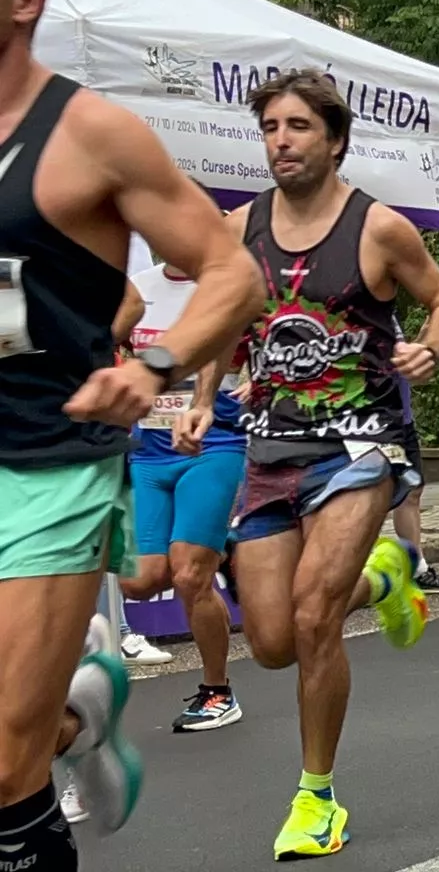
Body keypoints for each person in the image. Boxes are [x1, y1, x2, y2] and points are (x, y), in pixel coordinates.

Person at [0, 0, 263, 864]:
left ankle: (47, 736)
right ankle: (75, 719)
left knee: (0, 764)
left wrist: (151, 365)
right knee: (14, 736)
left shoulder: (93, 134)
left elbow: (233, 273)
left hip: (49, 456)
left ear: (26, 2)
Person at [227, 69, 439, 859]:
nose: (282, 141)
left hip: (360, 445)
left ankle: (316, 797)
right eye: (270, 128)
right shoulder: (242, 228)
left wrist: (430, 350)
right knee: (268, 641)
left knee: (311, 616)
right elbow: (221, 317)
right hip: (270, 448)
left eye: (297, 127)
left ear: (334, 139)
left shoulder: (378, 228)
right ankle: (388, 575)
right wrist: (199, 393)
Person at [122, 240, 248, 732]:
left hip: (214, 444)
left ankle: (217, 692)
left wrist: (256, 378)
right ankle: (229, 545)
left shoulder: (226, 287)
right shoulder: (138, 292)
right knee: (139, 579)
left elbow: (267, 345)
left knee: (190, 575)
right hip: (151, 450)